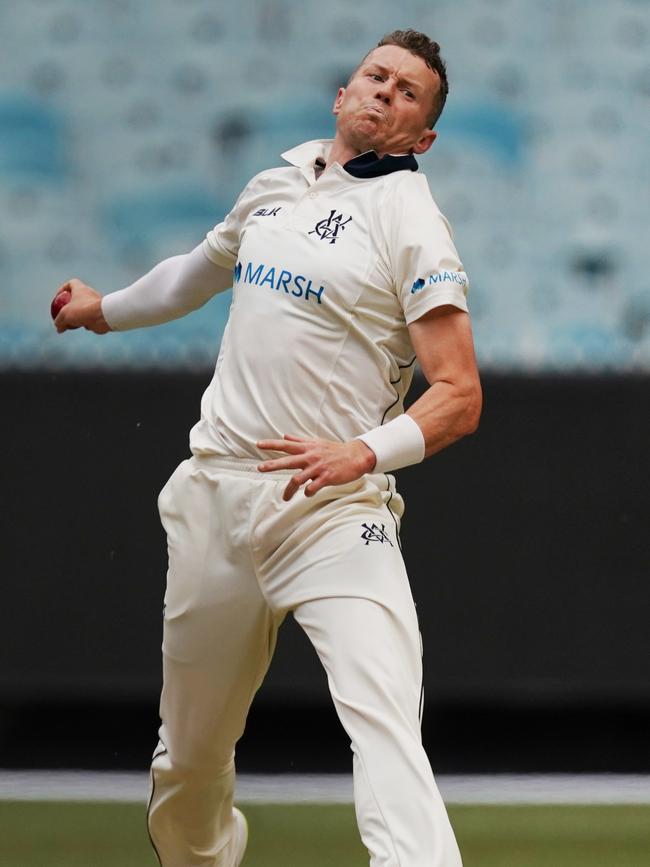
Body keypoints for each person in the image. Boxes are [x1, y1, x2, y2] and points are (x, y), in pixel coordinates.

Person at [54, 28, 481, 867]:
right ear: (342, 92)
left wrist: (362, 453)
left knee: (386, 719)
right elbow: (196, 272)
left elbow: (459, 394)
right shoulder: (275, 184)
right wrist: (103, 310)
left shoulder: (412, 224)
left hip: (333, 512)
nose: (386, 94)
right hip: (217, 496)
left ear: (422, 136)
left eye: (407, 94)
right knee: (189, 766)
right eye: (376, 77)